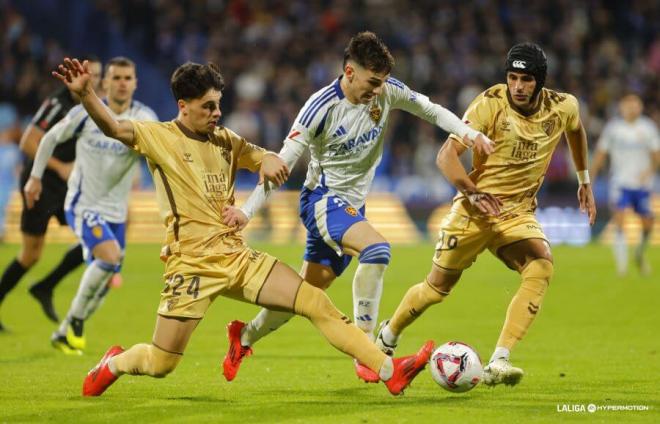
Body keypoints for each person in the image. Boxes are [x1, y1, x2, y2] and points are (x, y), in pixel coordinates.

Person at [51, 57, 434, 397]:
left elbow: (262, 156)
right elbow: (115, 127)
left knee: (314, 300)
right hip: (191, 266)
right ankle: (113, 364)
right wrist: (87, 96)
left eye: (219, 104)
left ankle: (389, 370)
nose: (217, 113)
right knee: (161, 362)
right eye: (208, 106)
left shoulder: (225, 140)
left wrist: (268, 160)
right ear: (183, 107)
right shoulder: (159, 137)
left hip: (236, 256)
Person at [220, 31, 493, 383]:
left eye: (382, 82)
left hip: (351, 208)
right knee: (377, 249)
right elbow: (279, 167)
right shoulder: (319, 109)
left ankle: (242, 337)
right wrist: (246, 211)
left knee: (306, 293)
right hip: (320, 200)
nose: (378, 90)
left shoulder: (386, 91)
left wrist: (469, 135)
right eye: (372, 82)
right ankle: (369, 351)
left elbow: (430, 109)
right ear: (349, 72)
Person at [375, 43, 597, 387]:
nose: (518, 86)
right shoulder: (489, 104)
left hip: (517, 212)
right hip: (474, 210)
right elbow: (446, 155)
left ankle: (499, 360)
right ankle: (388, 335)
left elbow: (576, 130)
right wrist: (471, 191)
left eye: (525, 79)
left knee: (541, 265)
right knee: (436, 289)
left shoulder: (563, 106)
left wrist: (584, 180)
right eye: (512, 77)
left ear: (540, 81)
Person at [24, 57, 157, 354]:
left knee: (107, 277)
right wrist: (35, 178)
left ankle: (63, 331)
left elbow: (159, 158)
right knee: (108, 257)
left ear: (135, 83)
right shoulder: (86, 112)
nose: (122, 83)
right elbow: (48, 139)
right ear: (105, 82)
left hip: (117, 213)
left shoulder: (145, 118)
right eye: (116, 77)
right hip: (83, 204)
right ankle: (76, 322)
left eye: (127, 77)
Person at [0, 57, 103, 330]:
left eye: (97, 75)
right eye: (88, 73)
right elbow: (28, 142)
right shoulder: (58, 103)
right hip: (42, 183)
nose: (93, 80)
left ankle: (46, 285)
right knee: (31, 254)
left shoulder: (93, 105)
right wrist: (61, 168)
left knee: (94, 237)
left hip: (67, 187)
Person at [590, 94, 659, 276]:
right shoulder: (614, 129)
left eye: (635, 104)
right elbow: (600, 154)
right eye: (628, 105)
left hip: (642, 185)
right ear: (621, 107)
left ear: (641, 107)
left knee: (648, 224)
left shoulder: (648, 128)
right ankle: (622, 267)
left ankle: (639, 253)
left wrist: (649, 171)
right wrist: (590, 178)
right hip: (620, 183)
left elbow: (656, 156)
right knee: (619, 220)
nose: (631, 108)